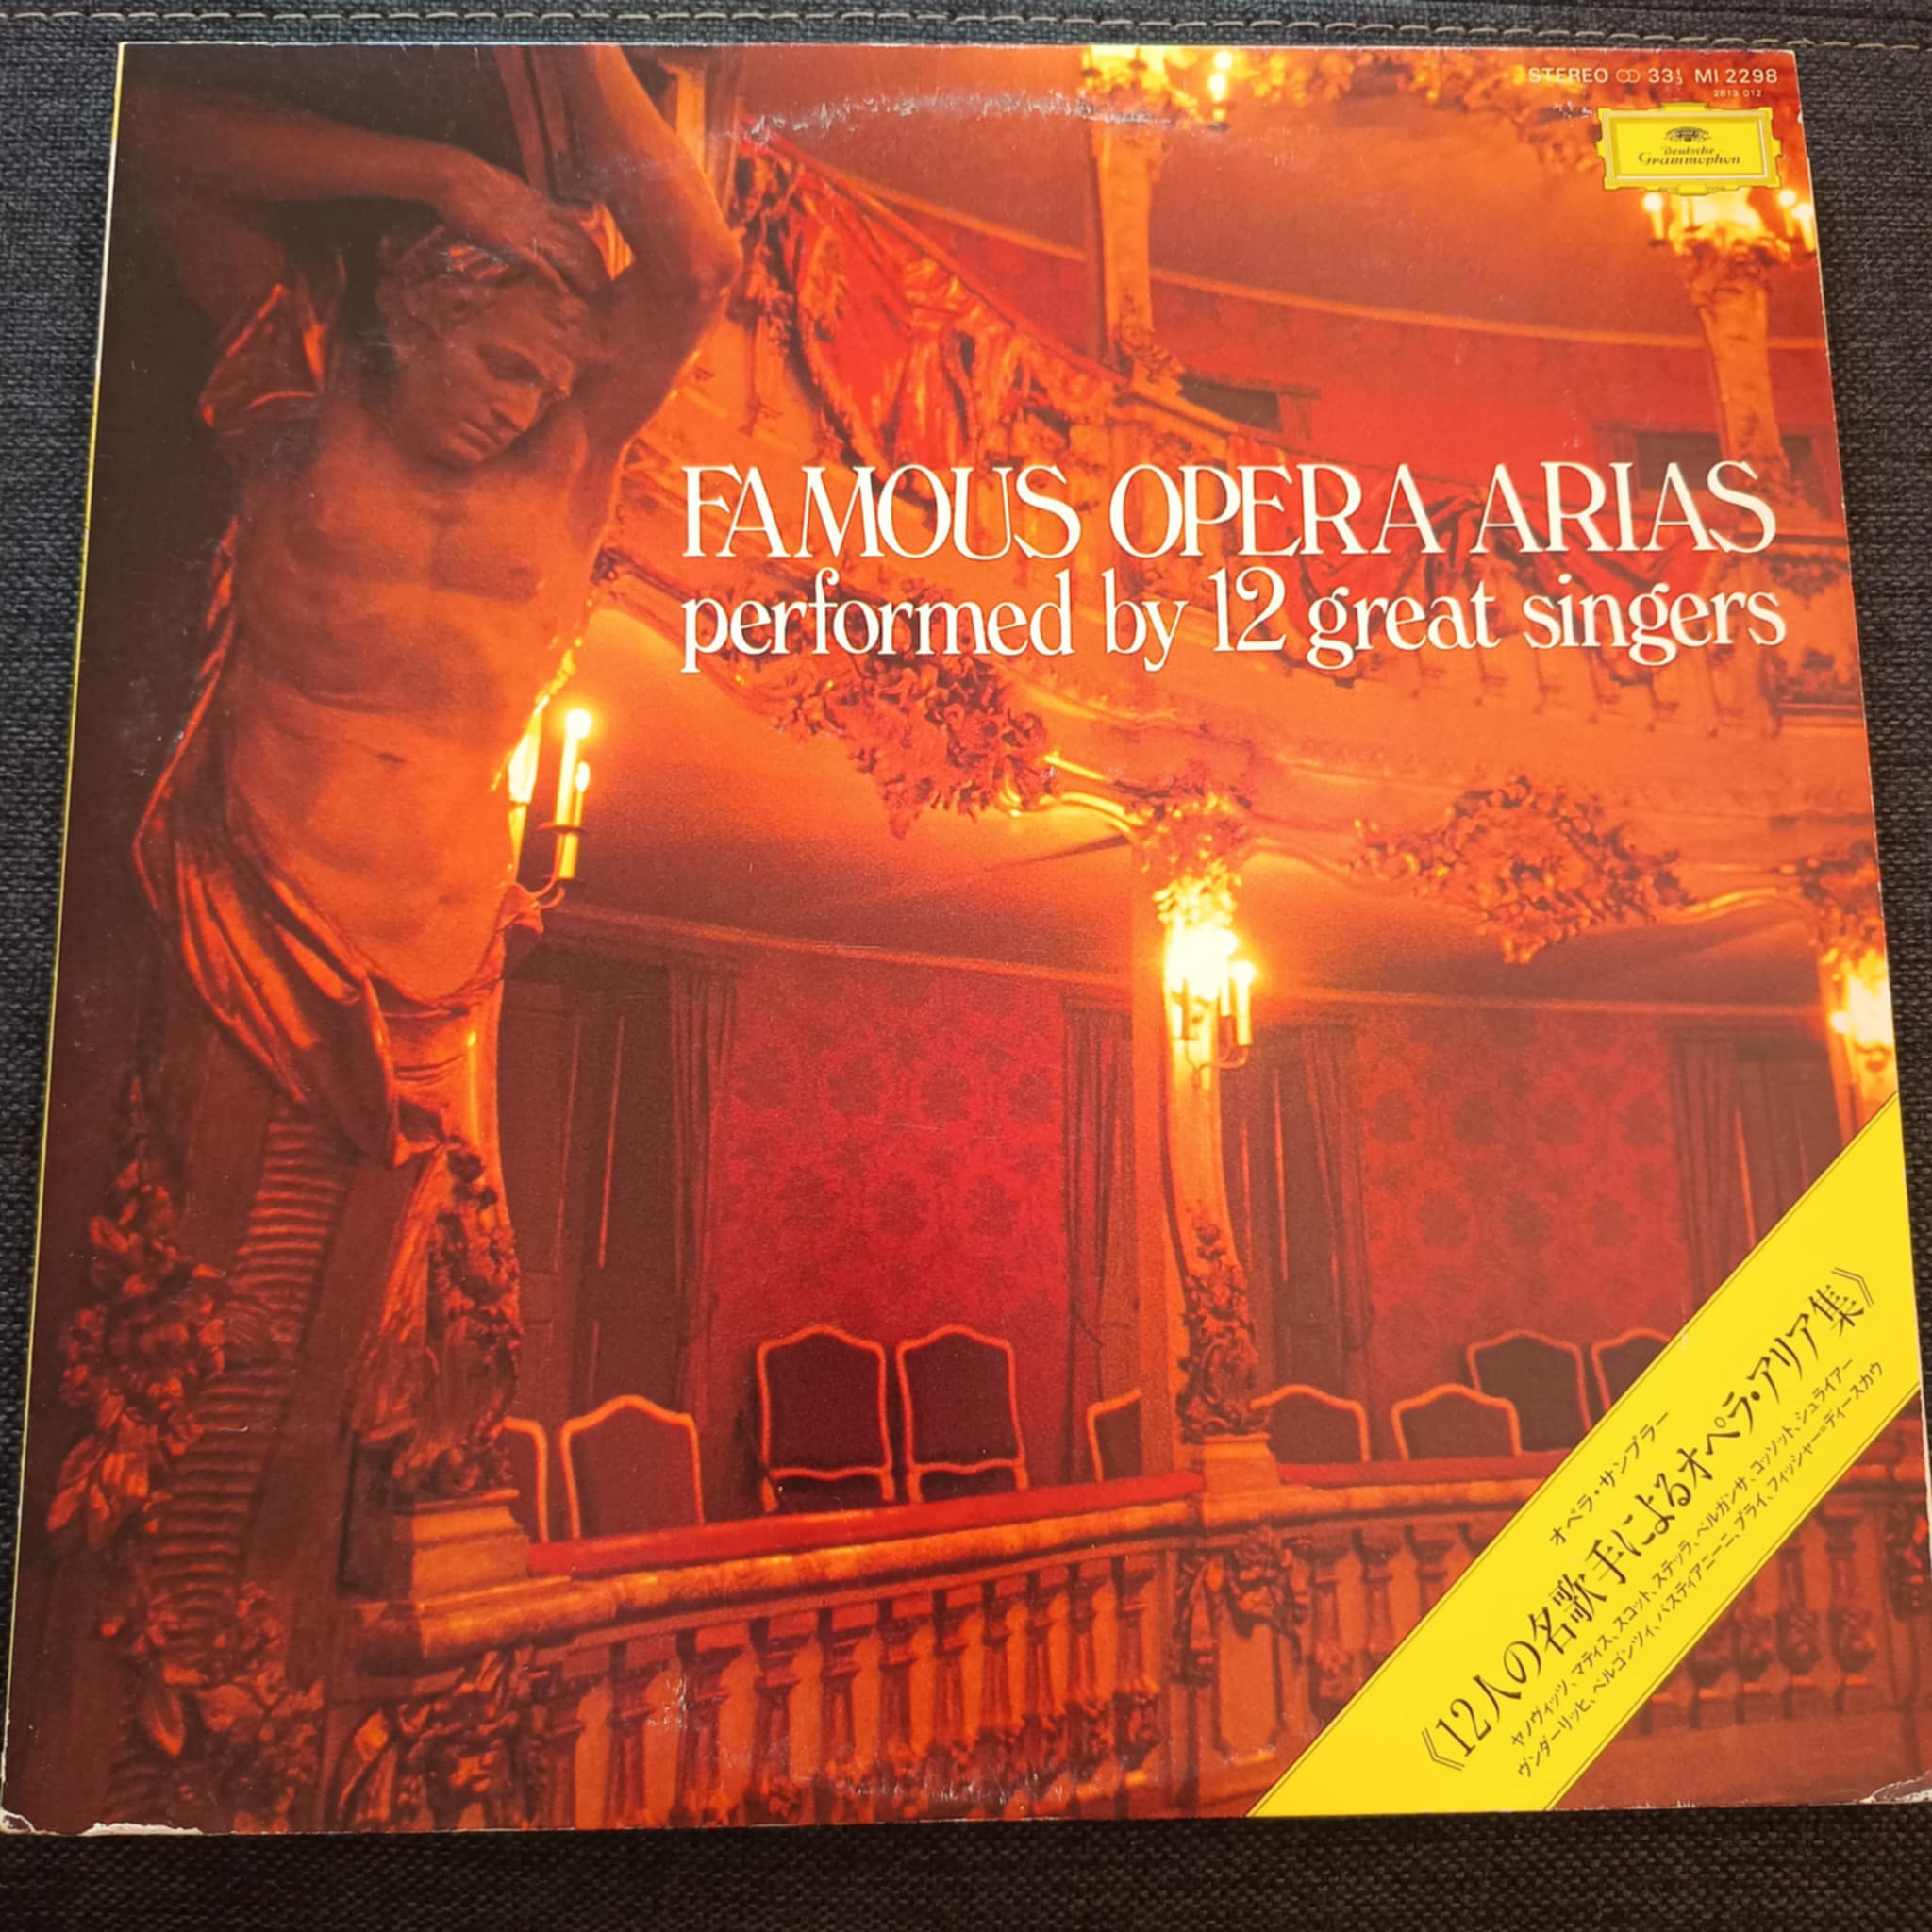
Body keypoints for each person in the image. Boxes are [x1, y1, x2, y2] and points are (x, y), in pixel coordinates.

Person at [123, 47, 741, 1165]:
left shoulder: (567, 456)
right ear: (418, 314)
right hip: (261, 921)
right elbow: (147, 127)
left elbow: (698, 270)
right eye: (504, 365)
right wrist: (440, 175)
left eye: (548, 385)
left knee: (420, 1276)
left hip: (448, 970)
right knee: (187, 1259)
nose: (523, 410)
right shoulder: (304, 396)